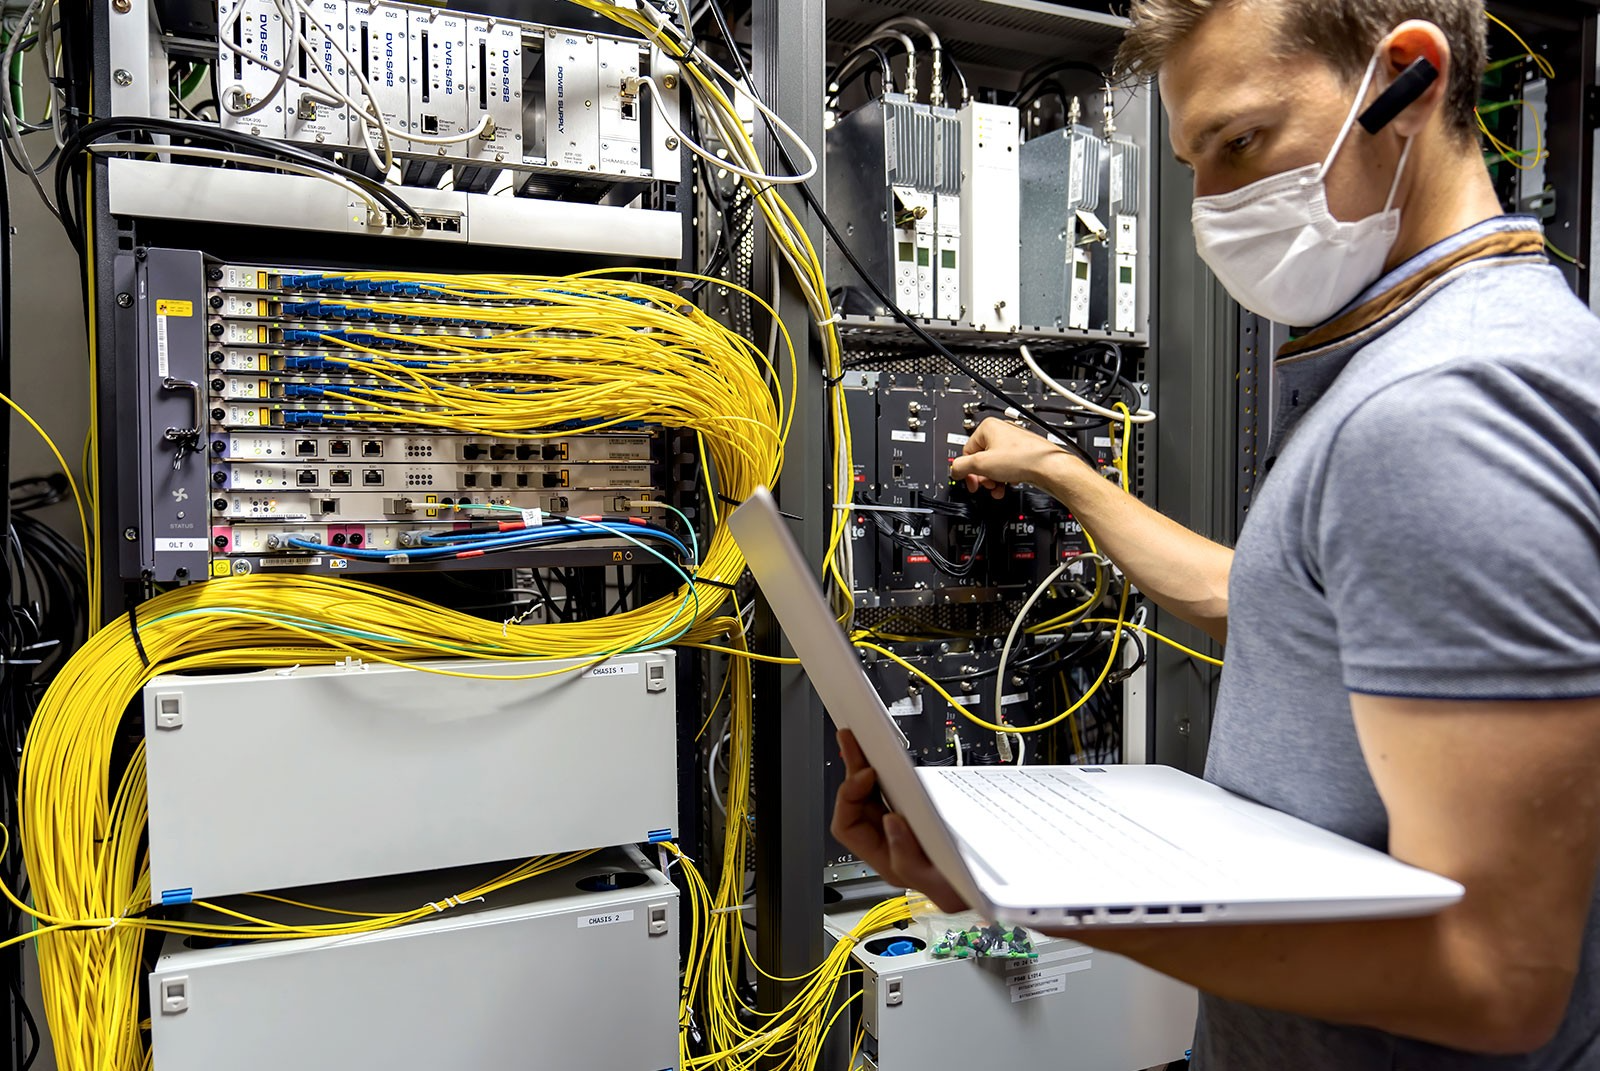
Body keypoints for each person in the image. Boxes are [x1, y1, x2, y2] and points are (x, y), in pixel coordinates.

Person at [830, 1, 1600, 1067]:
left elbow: (1492, 981)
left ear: (1408, 81)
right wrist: (1062, 471)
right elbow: (1297, 609)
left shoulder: (1439, 407)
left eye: (1241, 141)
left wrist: (1027, 897)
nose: (1213, 208)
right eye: (1194, 162)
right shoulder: (1433, 358)